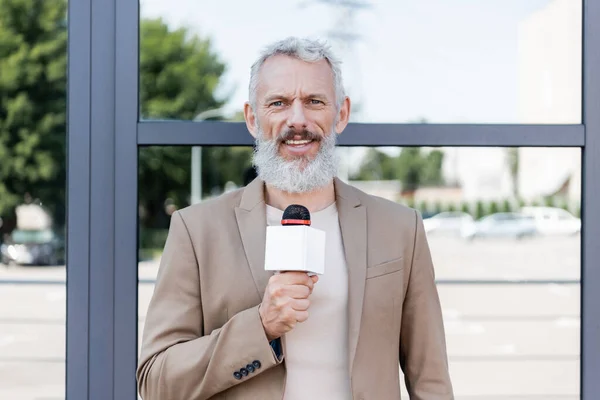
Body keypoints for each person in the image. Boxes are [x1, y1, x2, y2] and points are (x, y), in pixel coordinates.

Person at [137, 37, 454, 400]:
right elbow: (156, 382)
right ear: (253, 118)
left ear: (342, 113)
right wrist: (261, 326)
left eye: (314, 101)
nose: (298, 120)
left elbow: (431, 382)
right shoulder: (197, 231)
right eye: (279, 103)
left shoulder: (400, 228)